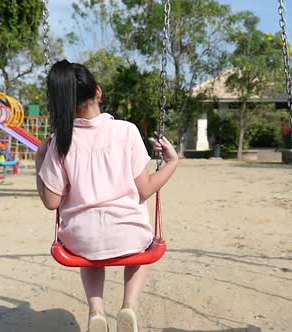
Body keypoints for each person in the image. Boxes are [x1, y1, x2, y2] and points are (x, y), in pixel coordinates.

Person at [35, 60, 179, 332]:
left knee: (90, 252)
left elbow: (51, 202)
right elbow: (146, 188)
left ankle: (96, 310)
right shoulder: (127, 131)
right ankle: (129, 306)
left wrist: (39, 163)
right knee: (141, 251)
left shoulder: (60, 142)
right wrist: (172, 163)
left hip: (81, 238)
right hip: (129, 233)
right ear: (98, 92)